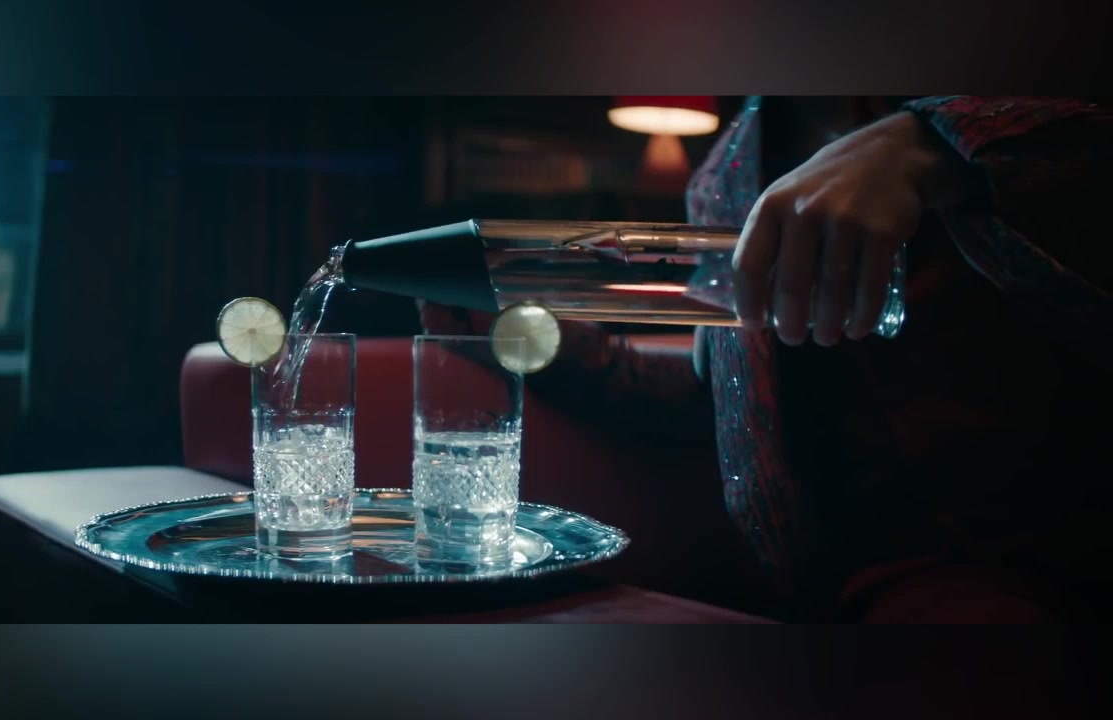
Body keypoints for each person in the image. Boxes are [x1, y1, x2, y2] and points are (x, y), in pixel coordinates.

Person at [419, 96, 1112, 622]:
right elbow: (716, 395)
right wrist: (532, 340)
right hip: (840, 587)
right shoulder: (726, 172)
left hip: (1031, 559)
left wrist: (936, 148)